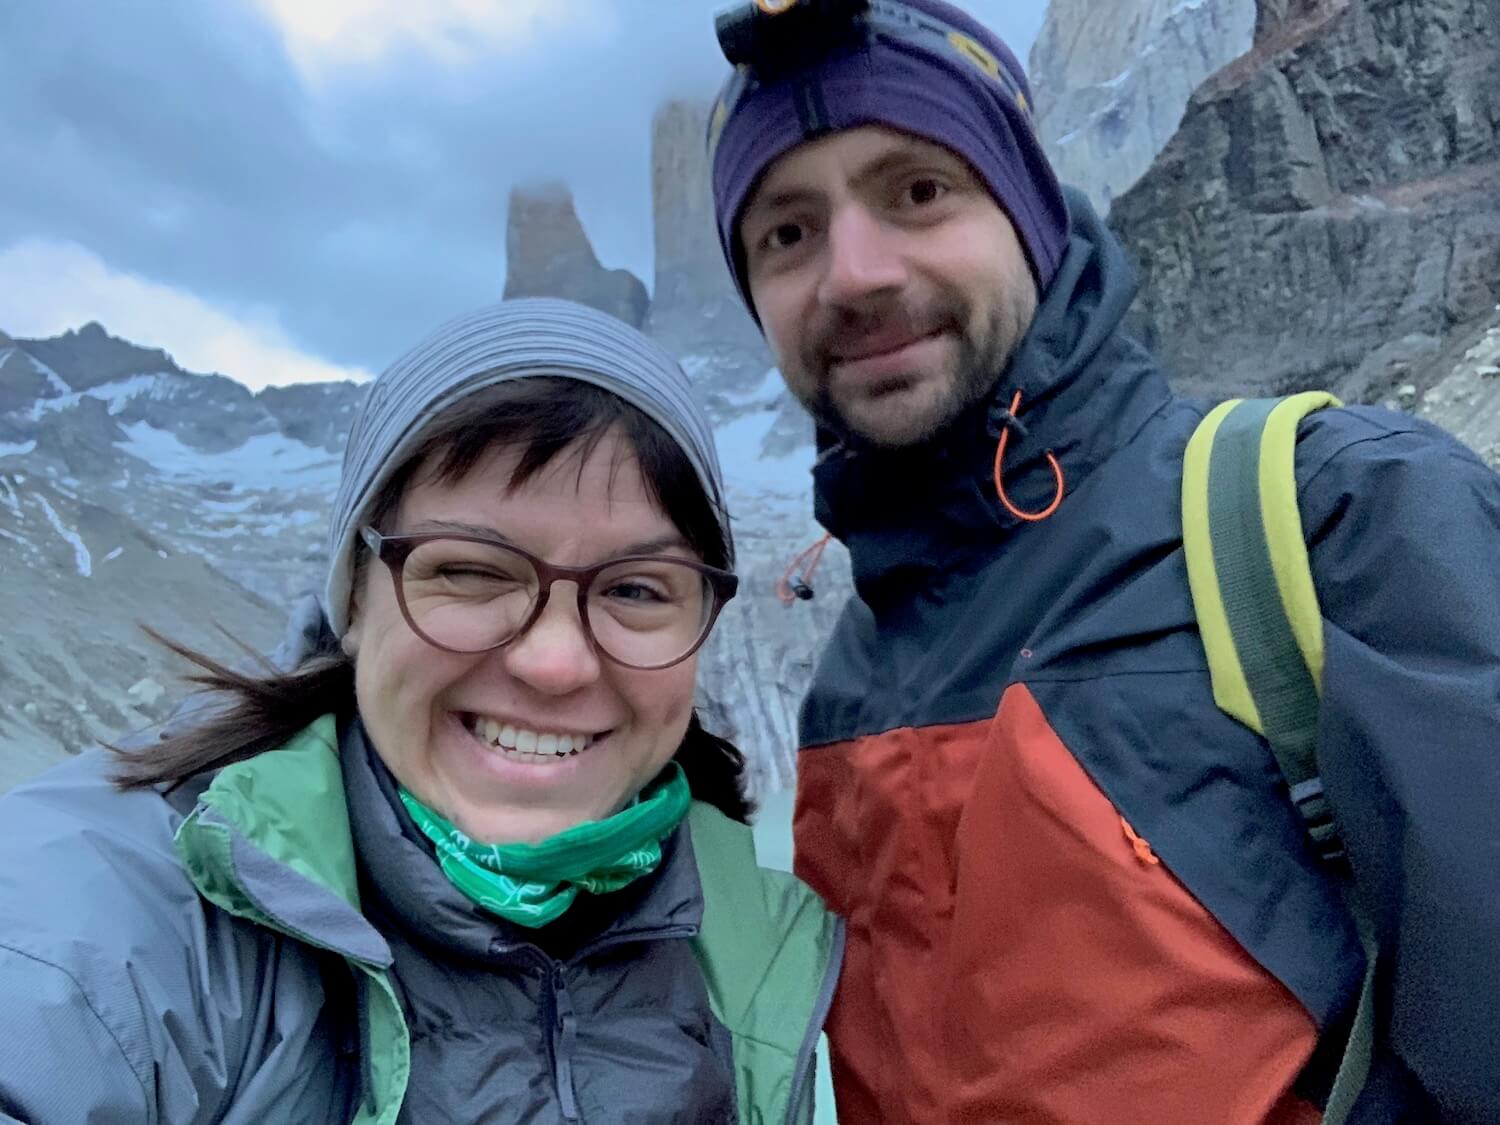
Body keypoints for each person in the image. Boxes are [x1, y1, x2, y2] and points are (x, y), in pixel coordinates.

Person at [705, 1, 1500, 1121]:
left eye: (919, 191)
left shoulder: (1337, 515)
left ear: (1031, 216)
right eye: (786, 233)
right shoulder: (850, 681)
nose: (856, 274)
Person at [0, 298, 842, 1124]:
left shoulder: (766, 935)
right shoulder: (128, 909)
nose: (554, 662)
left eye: (634, 589)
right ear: (354, 600)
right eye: (471, 572)